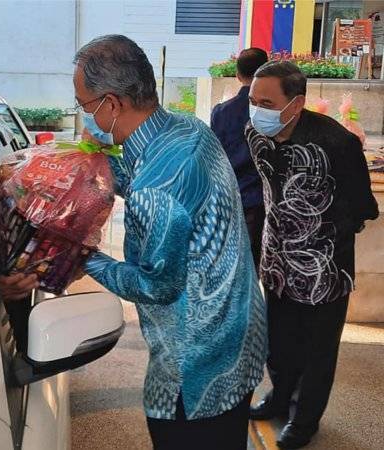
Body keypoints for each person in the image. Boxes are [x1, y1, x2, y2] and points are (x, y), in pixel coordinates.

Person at [74, 35, 267, 450]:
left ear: (112, 103)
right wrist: (93, 168)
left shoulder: (153, 188)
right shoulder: (188, 129)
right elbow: (158, 184)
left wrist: (82, 255)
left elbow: (155, 285)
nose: (85, 116)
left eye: (84, 106)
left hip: (198, 364)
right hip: (242, 330)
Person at [245, 61, 379, 449]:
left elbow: (362, 206)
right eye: (254, 101)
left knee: (318, 350)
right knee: (279, 340)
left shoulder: (337, 142)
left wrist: (323, 234)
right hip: (276, 261)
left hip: (326, 266)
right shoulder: (255, 132)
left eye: (267, 102)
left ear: (297, 103)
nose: (257, 111)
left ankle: (305, 420)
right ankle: (279, 397)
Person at [211, 47, 268, 269]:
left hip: (230, 197)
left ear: (237, 74)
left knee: (230, 263)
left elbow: (215, 154)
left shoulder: (221, 111)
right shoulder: (273, 111)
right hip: (261, 199)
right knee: (254, 264)